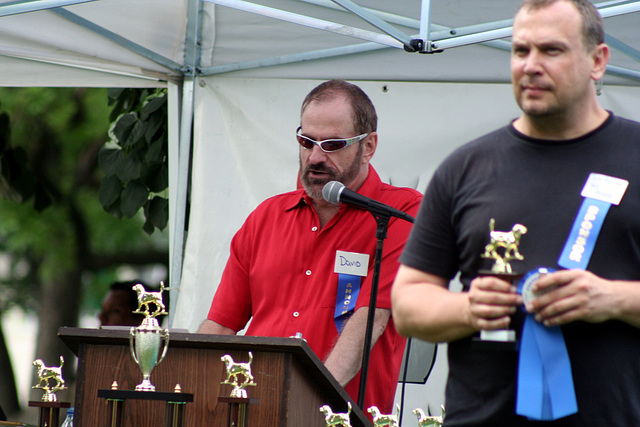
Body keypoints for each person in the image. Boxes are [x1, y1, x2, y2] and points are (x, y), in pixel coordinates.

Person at [391, 0, 640, 425]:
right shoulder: (465, 168)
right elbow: (407, 303)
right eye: (520, 50)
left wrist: (612, 299)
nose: (531, 66)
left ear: (598, 61)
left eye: (552, 50)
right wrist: (468, 309)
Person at [198, 79, 422, 413]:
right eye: (306, 141)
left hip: (336, 416)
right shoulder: (266, 217)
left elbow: (372, 320)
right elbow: (220, 325)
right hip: (256, 412)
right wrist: (195, 390)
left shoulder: (401, 214)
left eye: (332, 144)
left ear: (369, 146)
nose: (315, 157)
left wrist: (305, 405)